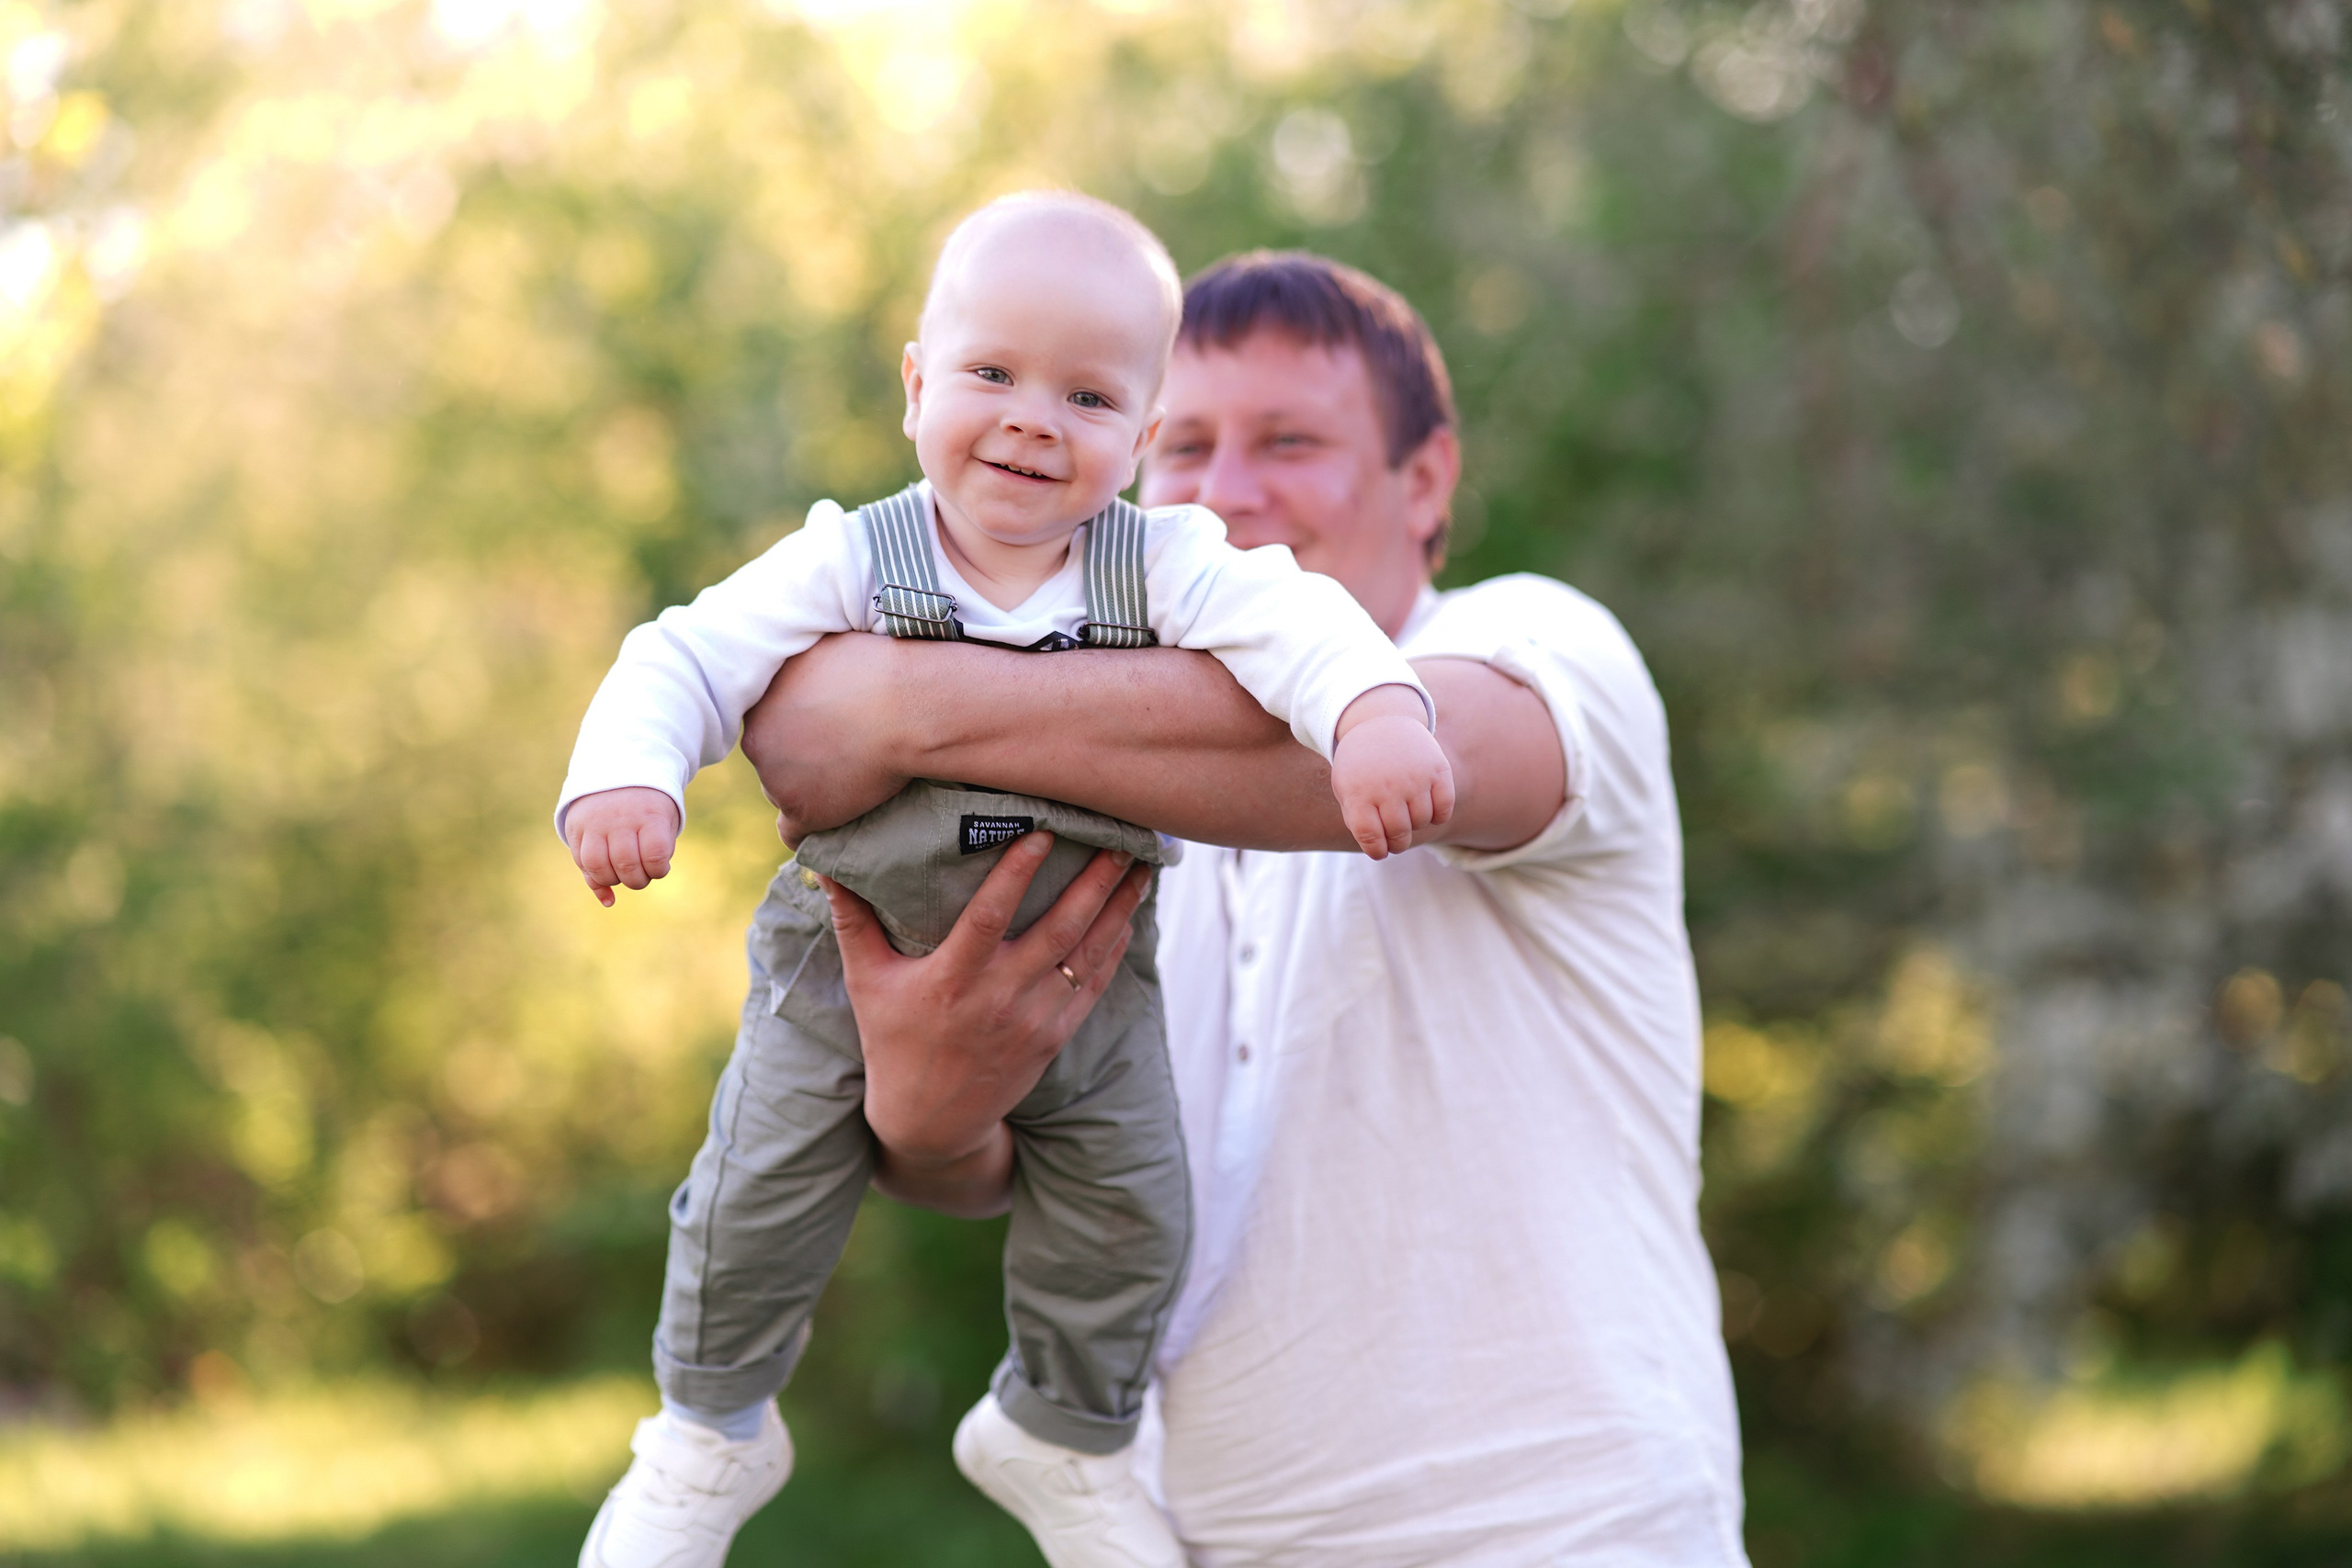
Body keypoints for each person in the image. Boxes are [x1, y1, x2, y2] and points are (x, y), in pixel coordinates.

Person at [743, 252, 1753, 1565]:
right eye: (1190, 448)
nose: (1227, 497)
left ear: (1425, 480)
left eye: (1289, 442)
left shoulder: (1543, 645)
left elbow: (1390, 760)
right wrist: (929, 1115)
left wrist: (888, 706)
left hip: (1564, 1530)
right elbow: (1020, 1158)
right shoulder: (1104, 787)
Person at [557, 197, 1453, 1568]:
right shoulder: (858, 556)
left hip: (1092, 979)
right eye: (993, 375)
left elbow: (1301, 627)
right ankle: (706, 1435)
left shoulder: (1162, 565)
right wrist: (631, 776)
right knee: (754, 1191)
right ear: (917, 386)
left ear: (1141, 445)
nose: (1034, 418)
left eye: (1089, 395)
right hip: (841, 968)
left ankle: (1063, 1433)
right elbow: (685, 657)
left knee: (1136, 1208)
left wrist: (1377, 718)